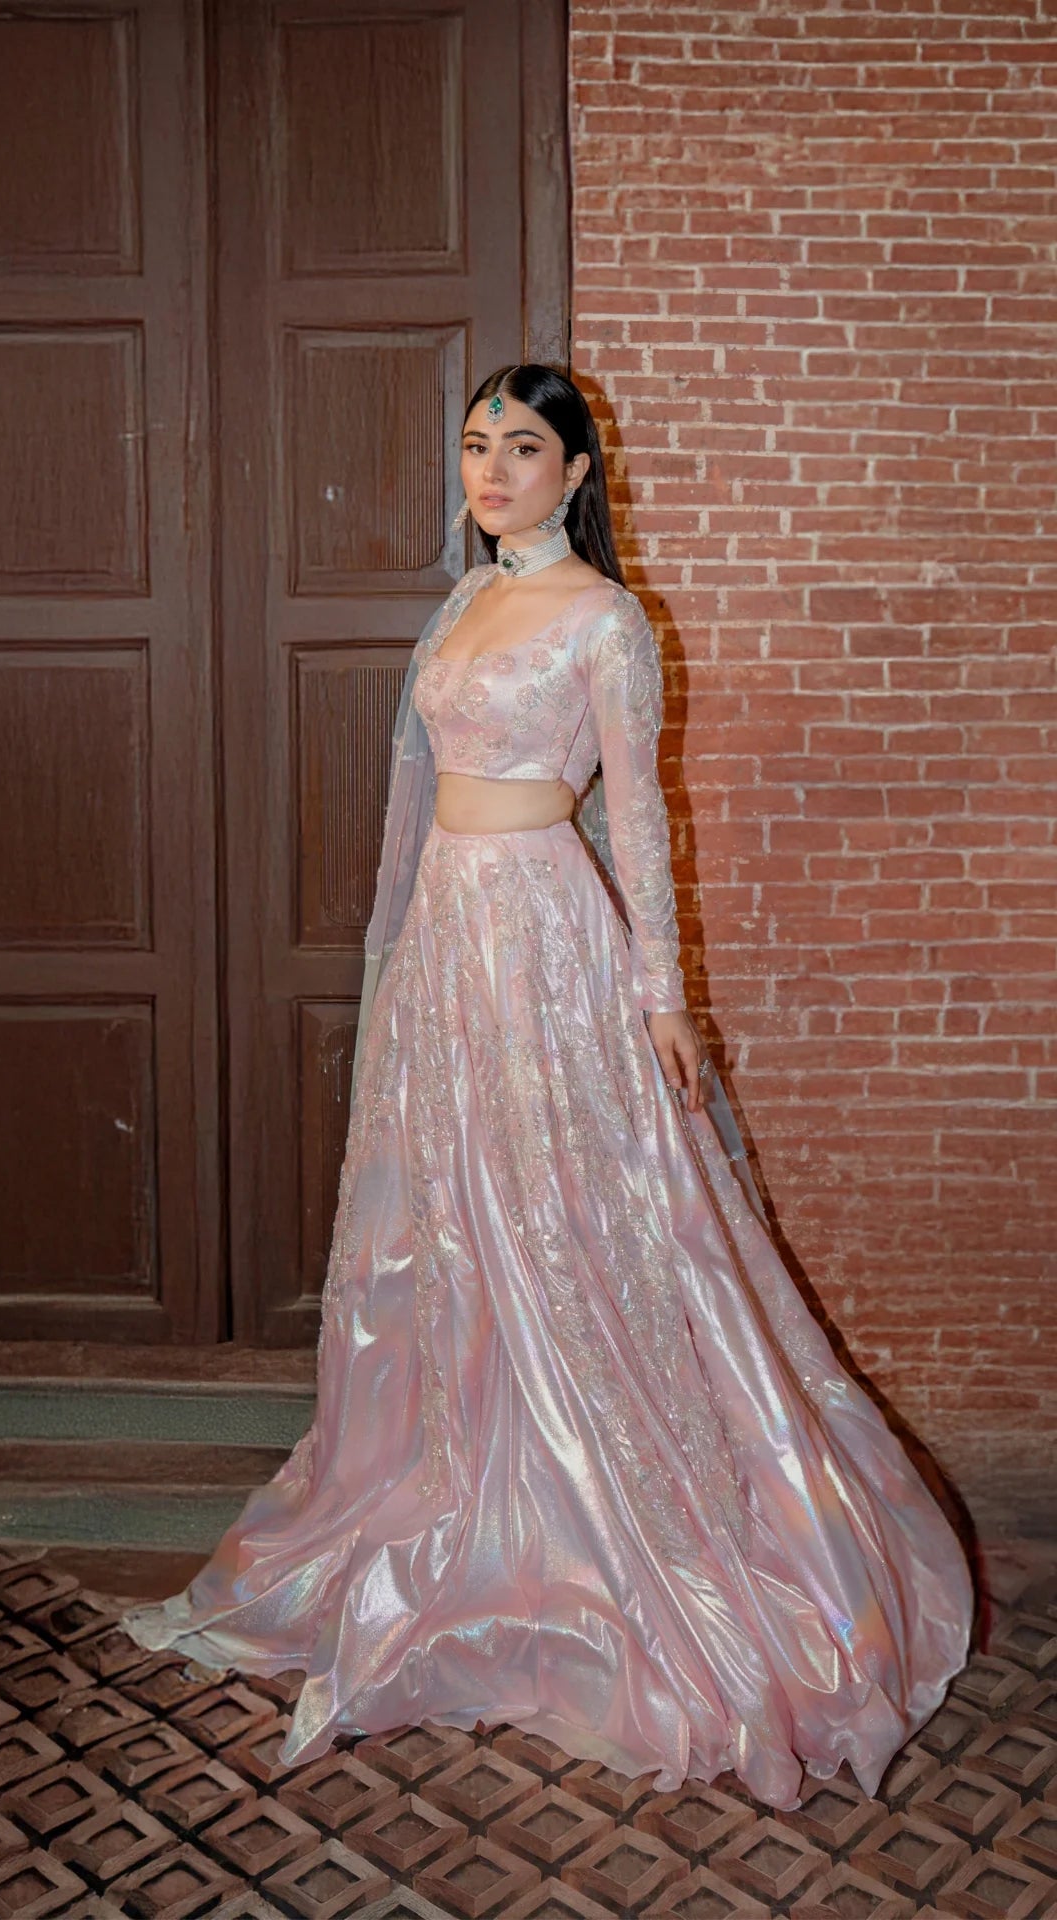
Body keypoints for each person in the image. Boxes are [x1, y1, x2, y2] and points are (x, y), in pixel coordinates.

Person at [121, 363, 973, 1812]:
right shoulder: (461, 609)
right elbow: (409, 802)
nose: (494, 469)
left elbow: (638, 815)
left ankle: (630, 1526)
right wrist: (388, 965)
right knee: (445, 1228)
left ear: (579, 471)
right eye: (475, 445)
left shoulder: (607, 619)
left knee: (582, 1226)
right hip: (453, 938)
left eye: (524, 447)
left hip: (552, 936)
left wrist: (662, 1001)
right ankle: (454, 1484)